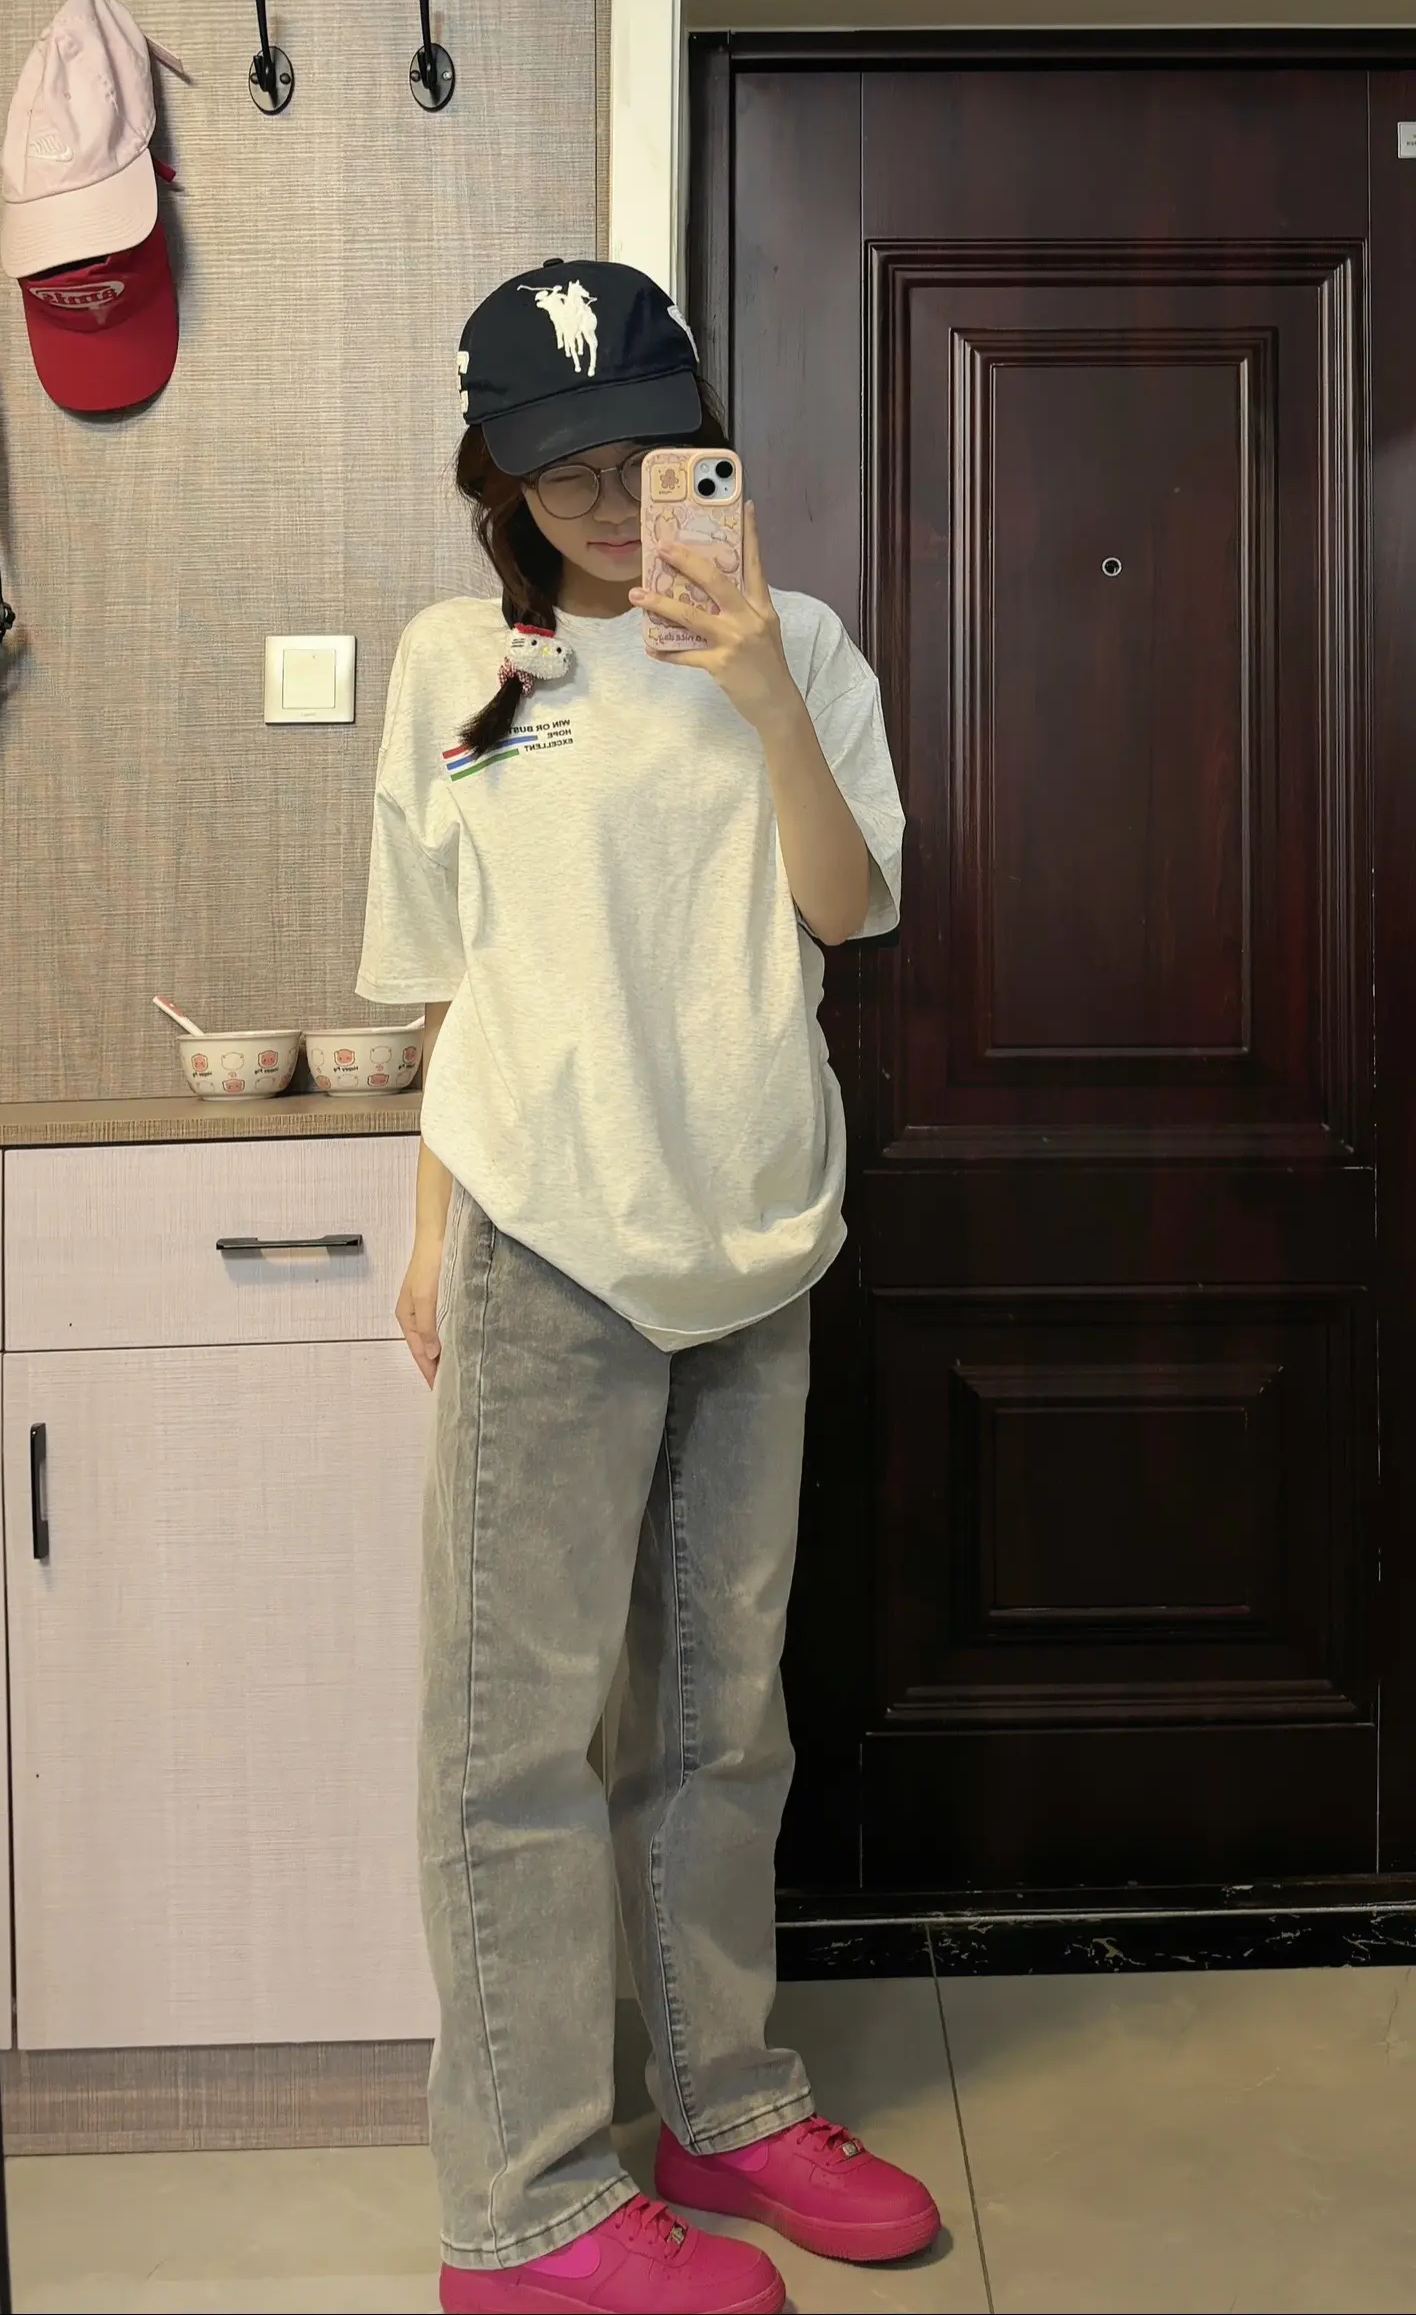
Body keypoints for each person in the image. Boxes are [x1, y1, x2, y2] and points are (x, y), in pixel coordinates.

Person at [356, 260, 937, 2315]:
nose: (613, 505)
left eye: (649, 459)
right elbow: (451, 969)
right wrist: (433, 1227)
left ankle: (722, 2100)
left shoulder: (805, 647)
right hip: (548, 1235)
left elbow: (841, 907)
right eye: (566, 472)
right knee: (511, 1738)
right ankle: (520, 2204)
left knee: (721, 1718)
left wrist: (760, 684)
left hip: (754, 1234)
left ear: (709, 447)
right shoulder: (465, 667)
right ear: (498, 482)